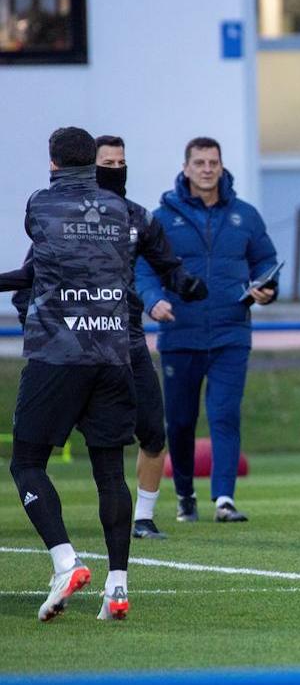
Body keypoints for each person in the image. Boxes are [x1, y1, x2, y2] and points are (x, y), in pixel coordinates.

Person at [0, 135, 208, 540]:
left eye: (121, 163)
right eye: (107, 164)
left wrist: (188, 285)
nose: (116, 170)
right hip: (72, 344)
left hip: (125, 340)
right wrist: (37, 324)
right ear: (89, 168)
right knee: (47, 450)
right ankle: (100, 558)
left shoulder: (138, 218)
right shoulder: (62, 218)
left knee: (151, 430)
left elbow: (168, 266)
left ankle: (142, 520)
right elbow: (32, 276)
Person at [8, 127, 135, 621]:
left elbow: (37, 265)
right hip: (112, 350)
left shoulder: (41, 203)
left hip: (58, 353)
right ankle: (118, 587)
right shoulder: (121, 210)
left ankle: (65, 561)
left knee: (27, 462)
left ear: (53, 161)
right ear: (96, 163)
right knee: (109, 471)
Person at [136, 137, 279, 524]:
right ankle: (185, 494)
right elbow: (144, 268)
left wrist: (267, 289)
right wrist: (152, 300)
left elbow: (266, 261)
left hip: (232, 333)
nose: (206, 169)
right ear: (186, 168)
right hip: (180, 332)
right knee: (180, 421)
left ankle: (225, 499)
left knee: (225, 414)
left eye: (213, 162)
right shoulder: (161, 218)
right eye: (199, 162)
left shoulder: (245, 215)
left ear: (221, 165)